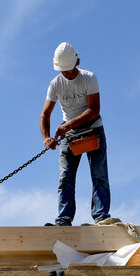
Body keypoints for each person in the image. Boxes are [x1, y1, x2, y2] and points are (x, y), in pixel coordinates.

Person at [40, 42, 117, 226]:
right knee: (65, 177)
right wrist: (46, 138)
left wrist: (68, 125)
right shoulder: (55, 84)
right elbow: (45, 114)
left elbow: (94, 110)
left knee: (99, 175)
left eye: (69, 70)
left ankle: (101, 217)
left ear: (76, 62)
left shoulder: (89, 78)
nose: (67, 74)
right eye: (63, 71)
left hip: (93, 129)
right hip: (70, 134)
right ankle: (64, 219)